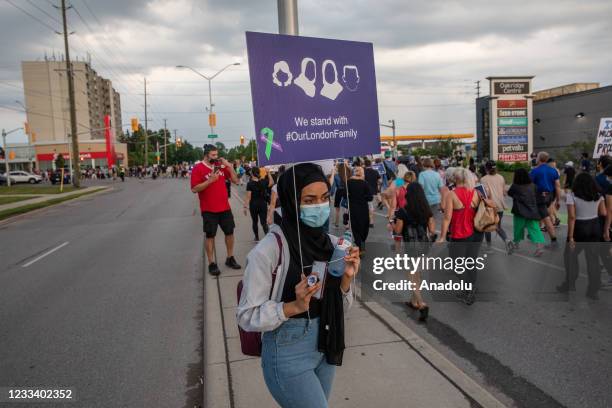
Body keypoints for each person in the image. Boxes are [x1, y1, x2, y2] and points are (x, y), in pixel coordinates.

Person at [236, 163, 360, 408]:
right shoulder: (269, 250)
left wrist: (346, 279)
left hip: (326, 343)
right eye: (310, 200)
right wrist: (291, 306)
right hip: (288, 351)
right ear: (292, 202)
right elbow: (247, 316)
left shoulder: (333, 244)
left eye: (324, 198)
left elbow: (341, 307)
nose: (320, 206)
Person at [190, 144, 242, 276]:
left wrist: (230, 166)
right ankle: (211, 263)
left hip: (224, 207)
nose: (216, 157)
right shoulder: (198, 168)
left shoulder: (221, 166)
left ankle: (230, 258)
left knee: (229, 232)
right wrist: (210, 181)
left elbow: (236, 181)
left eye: (217, 155)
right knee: (210, 236)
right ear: (206, 155)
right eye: (213, 155)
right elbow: (194, 188)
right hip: (208, 209)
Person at [437, 167, 485, 305]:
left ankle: (469, 289)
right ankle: (469, 288)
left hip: (460, 233)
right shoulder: (477, 191)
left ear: (455, 179)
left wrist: (442, 236)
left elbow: (447, 218)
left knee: (456, 264)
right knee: (471, 262)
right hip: (477, 233)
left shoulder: (452, 194)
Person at [557, 173, 606, 299]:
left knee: (570, 256)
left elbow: (572, 217)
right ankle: (593, 290)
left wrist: (571, 237)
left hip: (579, 228)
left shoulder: (572, 196)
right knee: (593, 260)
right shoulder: (599, 195)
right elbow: (603, 212)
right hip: (594, 227)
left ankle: (569, 284)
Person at [392, 182, 435, 321]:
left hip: (409, 246)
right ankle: (414, 301)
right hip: (423, 246)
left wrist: (393, 224)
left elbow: (398, 232)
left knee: (411, 276)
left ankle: (421, 303)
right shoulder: (426, 210)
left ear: (408, 194)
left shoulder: (403, 211)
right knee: (417, 274)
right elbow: (432, 229)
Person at [507, 168, 545, 256]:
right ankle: (539, 248)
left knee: (518, 228)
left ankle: (516, 244)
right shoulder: (533, 185)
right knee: (535, 230)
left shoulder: (515, 186)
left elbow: (509, 193)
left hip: (519, 212)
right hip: (532, 211)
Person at [529, 152, 561, 246]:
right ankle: (534, 233)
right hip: (550, 196)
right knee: (543, 215)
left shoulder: (534, 171)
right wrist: (558, 200)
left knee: (546, 218)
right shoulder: (553, 170)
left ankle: (554, 240)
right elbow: (558, 186)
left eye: (537, 157)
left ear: (539, 159)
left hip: (540, 196)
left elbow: (530, 186)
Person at [480, 161, 511, 252]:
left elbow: (487, 194)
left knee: (487, 227)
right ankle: (507, 240)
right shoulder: (501, 177)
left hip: (490, 206)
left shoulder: (484, 179)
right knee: (498, 226)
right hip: (500, 206)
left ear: (486, 168)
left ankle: (489, 247)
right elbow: (504, 193)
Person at [347, 166, 373, 255]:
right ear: (362, 173)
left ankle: (359, 245)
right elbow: (370, 197)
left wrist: (351, 196)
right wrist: (363, 197)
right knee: (364, 227)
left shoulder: (348, 182)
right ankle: (362, 244)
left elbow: (344, 195)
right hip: (363, 208)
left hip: (353, 207)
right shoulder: (364, 183)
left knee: (355, 227)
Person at [244, 166, 273, 241]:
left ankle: (256, 238)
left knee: (255, 222)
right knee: (263, 222)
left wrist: (245, 207)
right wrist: (268, 173)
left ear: (252, 174)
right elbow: (272, 182)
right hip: (263, 204)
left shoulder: (249, 184)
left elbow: (248, 197)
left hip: (253, 205)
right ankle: (268, 238)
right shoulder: (263, 181)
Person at [364, 158, 381, 228]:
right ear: (371, 164)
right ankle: (371, 222)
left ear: (365, 165)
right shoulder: (375, 172)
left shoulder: (363, 172)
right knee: (371, 207)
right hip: (373, 192)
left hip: (365, 192)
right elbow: (380, 181)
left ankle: (368, 221)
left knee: (366, 207)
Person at [332, 162, 350, 228]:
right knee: (345, 208)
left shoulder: (336, 175)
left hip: (339, 191)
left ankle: (336, 224)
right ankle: (347, 225)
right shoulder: (348, 174)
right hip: (346, 191)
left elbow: (334, 186)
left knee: (337, 209)